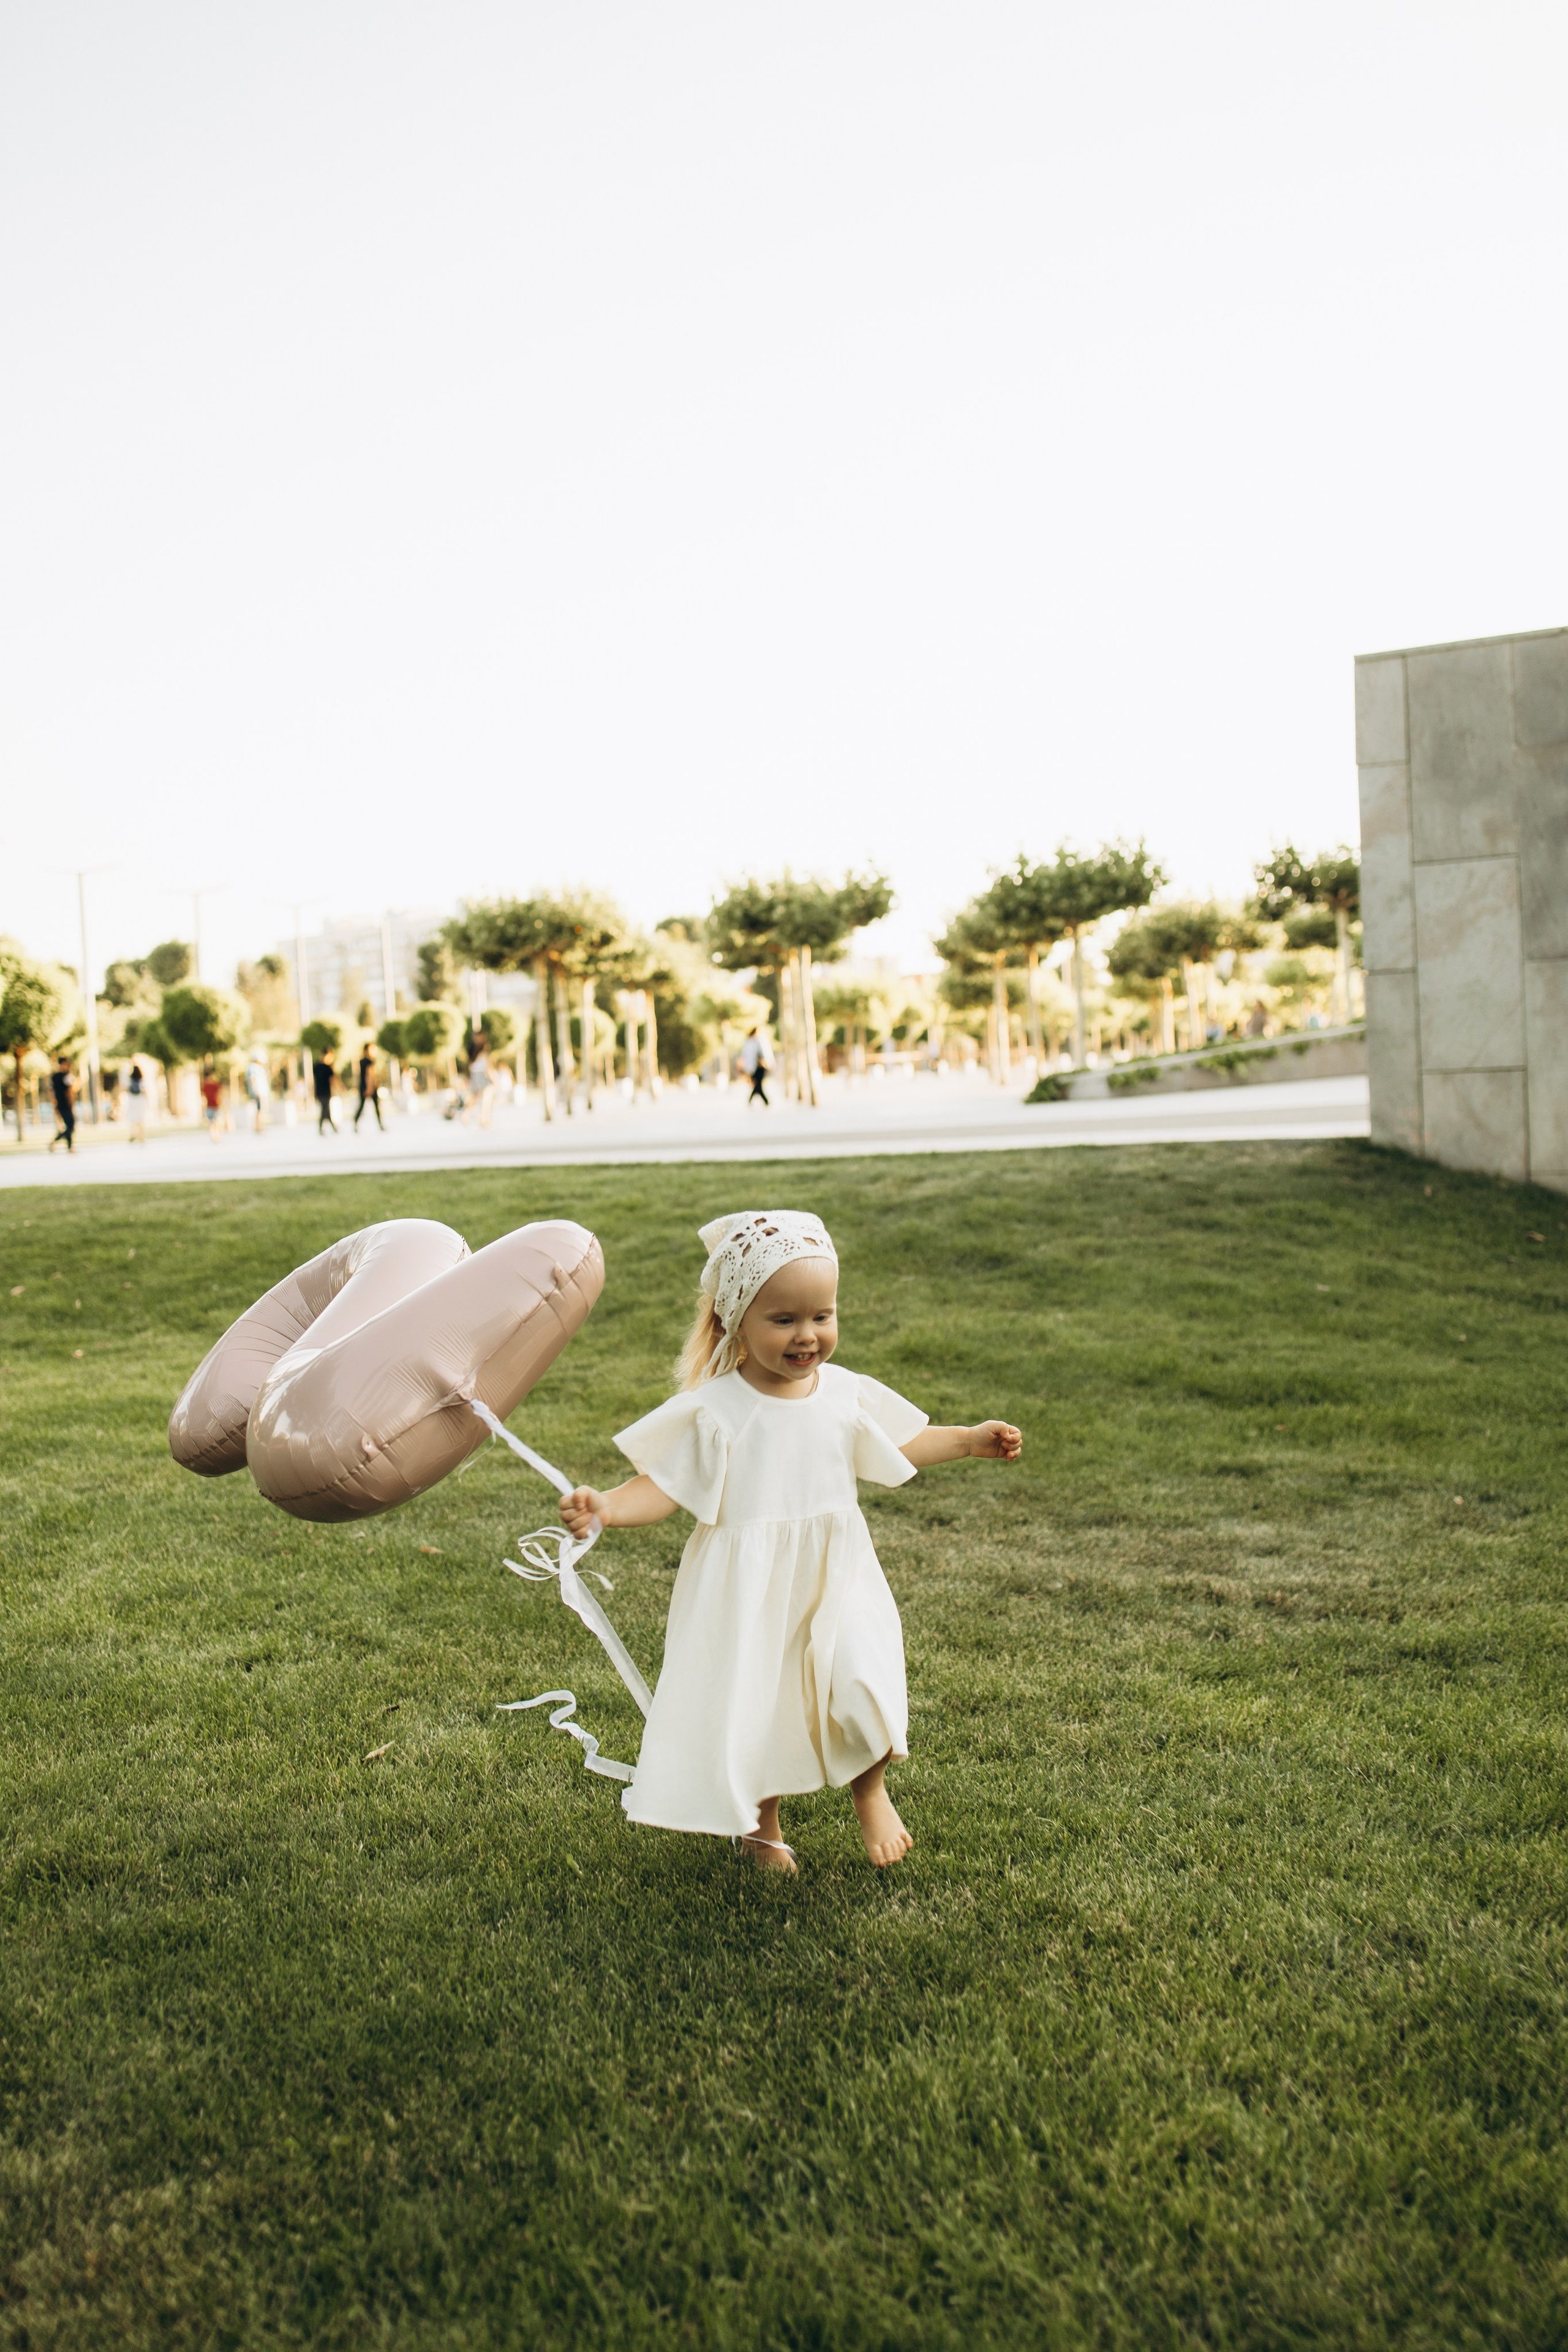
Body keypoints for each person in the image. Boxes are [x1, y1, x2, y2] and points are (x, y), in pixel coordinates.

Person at [557, 1210, 1022, 1872]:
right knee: (762, 1706)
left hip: (836, 1571)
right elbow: (660, 1487)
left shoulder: (843, 1394)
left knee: (861, 1675)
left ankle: (871, 1791)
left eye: (822, 1316)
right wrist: (605, 1507)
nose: (808, 1335)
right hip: (748, 1587)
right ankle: (762, 1828)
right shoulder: (717, 1410)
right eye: (784, 1321)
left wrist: (968, 1440)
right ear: (736, 1323)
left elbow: (898, 1443)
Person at [48, 1053, 76, 1152]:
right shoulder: (66, 1077)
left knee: (69, 1125)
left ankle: (70, 1147)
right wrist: (71, 1104)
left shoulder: (54, 1077)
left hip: (61, 1104)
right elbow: (70, 1092)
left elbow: (51, 1092)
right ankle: (55, 1142)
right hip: (64, 1104)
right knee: (71, 1125)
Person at [738, 1027, 772, 1107]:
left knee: (758, 1084)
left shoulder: (755, 1041)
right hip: (756, 1066)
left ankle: (758, 1100)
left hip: (760, 1066)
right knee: (757, 1084)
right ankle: (765, 1101)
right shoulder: (752, 1042)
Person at [353, 1042, 383, 1131]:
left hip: (364, 1086)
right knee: (371, 1106)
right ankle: (379, 1124)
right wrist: (370, 1088)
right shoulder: (369, 1061)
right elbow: (369, 1075)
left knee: (364, 1106)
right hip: (369, 1087)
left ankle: (356, 1123)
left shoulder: (362, 1061)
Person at [312, 1047, 337, 1136]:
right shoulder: (320, 1066)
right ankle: (322, 1128)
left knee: (326, 1110)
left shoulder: (325, 1067)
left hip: (324, 1091)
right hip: (322, 1092)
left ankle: (333, 1127)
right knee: (324, 1110)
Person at [245, 1052, 271, 1131]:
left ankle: (259, 1126)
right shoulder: (253, 1067)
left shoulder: (258, 1067)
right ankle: (258, 1126)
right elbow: (253, 1079)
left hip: (261, 1091)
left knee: (260, 1109)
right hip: (259, 1091)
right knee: (260, 1109)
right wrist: (256, 1091)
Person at [126, 1060, 148, 1142]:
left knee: (133, 1119)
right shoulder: (142, 1081)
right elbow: (145, 1091)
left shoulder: (130, 1081)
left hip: (132, 1101)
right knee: (141, 1119)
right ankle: (141, 1137)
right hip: (140, 1101)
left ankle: (133, 1135)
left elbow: (126, 1089)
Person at [200, 1068, 225, 1140]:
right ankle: (214, 1136)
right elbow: (219, 1096)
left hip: (214, 1106)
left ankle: (216, 1135)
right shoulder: (212, 1085)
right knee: (213, 1122)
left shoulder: (210, 1085)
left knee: (215, 1122)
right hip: (212, 1107)